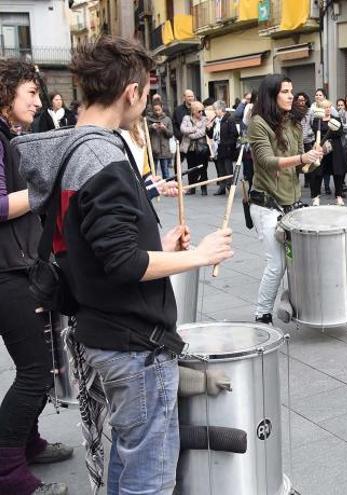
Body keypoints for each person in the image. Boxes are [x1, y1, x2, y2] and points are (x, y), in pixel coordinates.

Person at [16, 35, 233, 494]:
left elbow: (90, 247)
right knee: (149, 478)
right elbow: (122, 263)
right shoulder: (102, 156)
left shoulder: (75, 149)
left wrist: (163, 246)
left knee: (129, 461)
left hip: (103, 328)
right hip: (132, 342)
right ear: (131, 93)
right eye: (147, 91)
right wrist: (201, 256)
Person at [0, 58, 73, 495]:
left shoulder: (14, 136)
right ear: (7, 93)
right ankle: (8, 472)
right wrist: (44, 189)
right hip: (5, 272)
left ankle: (27, 443)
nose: (38, 101)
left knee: (35, 367)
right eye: (30, 93)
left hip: (20, 264)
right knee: (35, 373)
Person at [248, 74, 323, 323]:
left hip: (291, 203)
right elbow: (267, 162)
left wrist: (314, 158)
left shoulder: (294, 123)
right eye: (285, 91)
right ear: (272, 95)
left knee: (295, 261)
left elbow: (302, 167)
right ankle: (262, 315)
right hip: (266, 204)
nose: (292, 96)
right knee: (277, 264)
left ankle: (291, 304)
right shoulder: (258, 123)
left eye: (292, 91)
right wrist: (303, 159)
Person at [180, 100, 211, 195]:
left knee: (203, 168)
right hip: (190, 148)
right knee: (191, 168)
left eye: (202, 111)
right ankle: (191, 188)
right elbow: (183, 129)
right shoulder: (186, 118)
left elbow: (203, 132)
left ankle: (204, 188)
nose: (201, 113)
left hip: (202, 149)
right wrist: (195, 128)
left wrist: (192, 134)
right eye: (199, 111)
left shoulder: (205, 119)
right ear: (193, 111)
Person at [213, 100, 239, 195]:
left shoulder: (229, 119)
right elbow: (214, 134)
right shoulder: (216, 120)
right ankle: (222, 187)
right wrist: (208, 129)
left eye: (215, 109)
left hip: (227, 148)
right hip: (218, 148)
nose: (214, 111)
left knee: (228, 170)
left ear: (220, 109)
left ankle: (230, 187)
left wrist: (228, 144)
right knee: (220, 169)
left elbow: (234, 134)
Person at [146, 102, 174, 179]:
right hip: (153, 149)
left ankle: (167, 188)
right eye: (155, 110)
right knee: (153, 172)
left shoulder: (167, 119)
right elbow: (143, 132)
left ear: (162, 108)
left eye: (159, 110)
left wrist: (164, 128)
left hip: (164, 149)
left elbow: (170, 134)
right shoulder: (148, 119)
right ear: (152, 110)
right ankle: (154, 188)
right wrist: (151, 127)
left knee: (165, 172)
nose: (157, 112)